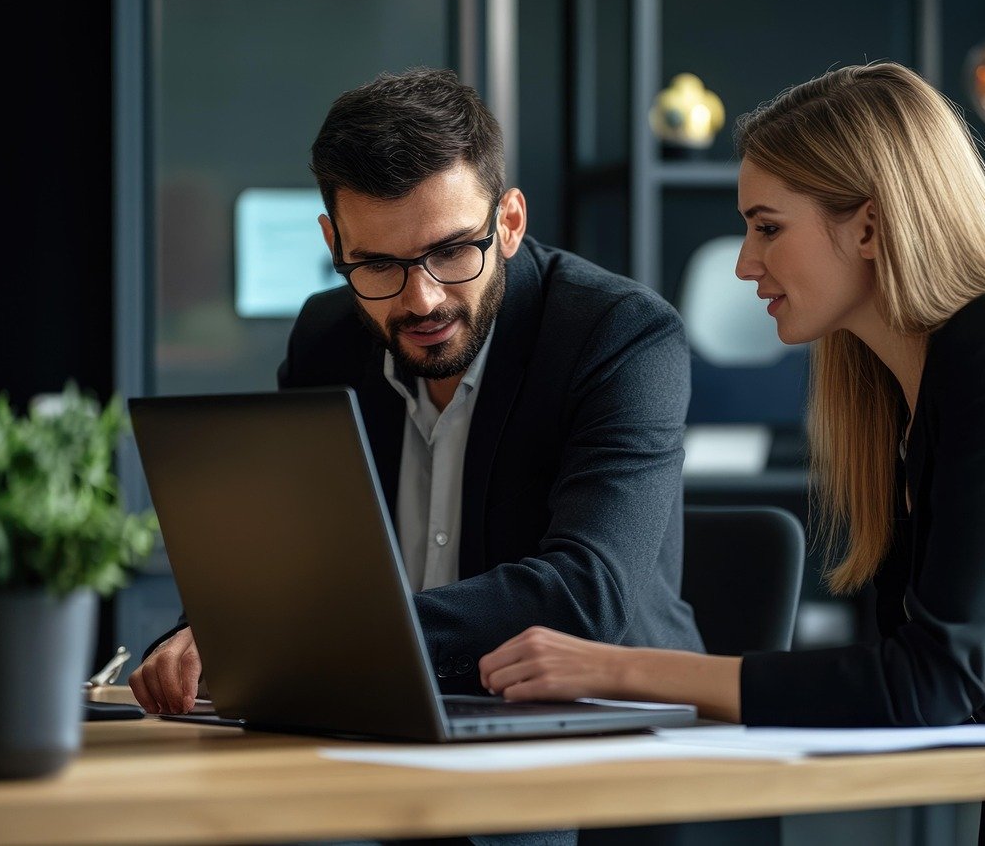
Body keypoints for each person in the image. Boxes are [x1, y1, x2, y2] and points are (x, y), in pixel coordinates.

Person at [478, 62, 985, 844]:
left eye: (767, 227)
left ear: (868, 226)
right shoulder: (898, 393)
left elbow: (927, 683)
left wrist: (615, 667)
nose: (744, 262)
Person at [129, 67, 703, 721]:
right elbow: (284, 557)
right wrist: (208, 633)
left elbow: (583, 593)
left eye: (453, 251)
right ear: (333, 245)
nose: (421, 299)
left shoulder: (619, 333)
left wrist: (315, 641)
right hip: (381, 718)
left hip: (598, 738)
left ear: (509, 222)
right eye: (377, 265)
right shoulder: (326, 337)